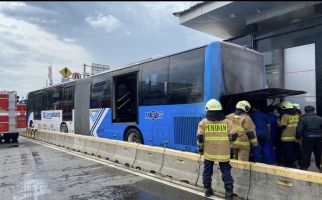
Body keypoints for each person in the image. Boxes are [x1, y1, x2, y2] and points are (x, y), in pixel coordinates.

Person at [197, 99, 239, 199]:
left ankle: (208, 190)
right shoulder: (227, 122)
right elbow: (234, 136)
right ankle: (228, 193)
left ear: (207, 110)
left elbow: (200, 139)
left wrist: (201, 149)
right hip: (223, 153)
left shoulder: (203, 123)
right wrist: (227, 144)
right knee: (226, 172)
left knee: (207, 171)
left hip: (208, 153)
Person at [296, 106, 322, 172]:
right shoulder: (320, 118)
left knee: (306, 154)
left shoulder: (302, 119)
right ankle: (318, 166)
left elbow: (299, 130)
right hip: (318, 139)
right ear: (314, 110)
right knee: (318, 153)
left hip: (307, 139)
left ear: (305, 111)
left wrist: (298, 137)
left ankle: (304, 168)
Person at [277, 101, 300, 168]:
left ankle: (290, 164)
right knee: (295, 150)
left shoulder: (285, 115)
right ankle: (295, 162)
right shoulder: (296, 115)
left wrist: (278, 122)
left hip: (286, 137)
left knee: (288, 151)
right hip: (295, 136)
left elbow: (283, 126)